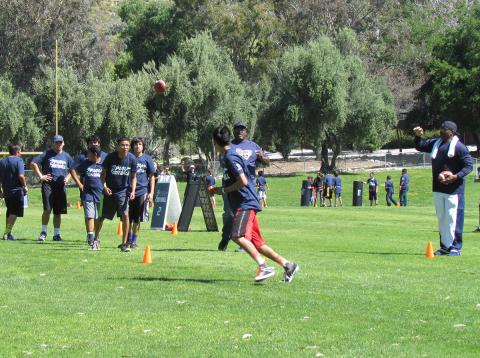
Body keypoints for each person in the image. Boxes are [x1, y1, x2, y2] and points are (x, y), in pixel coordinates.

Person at [210, 126, 298, 282]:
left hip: (246, 202)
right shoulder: (229, 155)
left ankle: (264, 267)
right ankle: (288, 265)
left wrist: (223, 190)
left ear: (214, 142)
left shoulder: (230, 156)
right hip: (246, 202)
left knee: (237, 235)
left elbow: (243, 182)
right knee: (257, 243)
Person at [414, 121, 473, 256]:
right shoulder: (436, 143)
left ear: (451, 131)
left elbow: (469, 166)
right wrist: (418, 136)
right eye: (441, 128)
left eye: (444, 129)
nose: (441, 131)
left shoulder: (459, 147)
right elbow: (421, 146)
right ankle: (445, 246)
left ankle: (456, 247)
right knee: (442, 218)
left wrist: (456, 176)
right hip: (438, 188)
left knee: (453, 218)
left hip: (454, 191)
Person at [217, 121, 270, 251]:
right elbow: (223, 162)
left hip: (248, 187)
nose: (240, 131)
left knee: (247, 217)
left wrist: (262, 157)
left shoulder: (253, 146)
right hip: (231, 184)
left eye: (242, 129)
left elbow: (267, 162)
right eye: (237, 129)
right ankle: (226, 237)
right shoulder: (229, 146)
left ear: (246, 132)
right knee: (229, 214)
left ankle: (244, 243)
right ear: (233, 131)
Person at [96, 137, 137, 252]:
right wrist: (104, 187)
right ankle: (95, 239)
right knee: (101, 217)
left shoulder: (132, 159)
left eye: (127, 145)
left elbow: (133, 177)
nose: (125, 147)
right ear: (118, 146)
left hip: (123, 192)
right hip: (108, 191)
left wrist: (133, 191)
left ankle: (124, 244)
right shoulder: (110, 157)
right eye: (123, 145)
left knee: (125, 216)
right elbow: (102, 174)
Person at [31, 135, 74, 242]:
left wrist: (68, 178)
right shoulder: (47, 153)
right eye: (56, 142)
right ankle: (43, 232)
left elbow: (74, 169)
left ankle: (56, 234)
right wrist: (41, 176)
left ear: (63, 143)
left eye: (60, 142)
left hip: (60, 187)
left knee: (58, 212)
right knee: (47, 209)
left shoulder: (66, 156)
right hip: (48, 185)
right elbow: (33, 163)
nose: (58, 144)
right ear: (53, 143)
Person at [71, 145, 103, 250]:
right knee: (90, 215)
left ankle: (97, 237)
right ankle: (90, 236)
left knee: (98, 217)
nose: (87, 155)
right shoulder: (85, 164)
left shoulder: (103, 165)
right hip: (88, 194)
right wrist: (80, 184)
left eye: (89, 153)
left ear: (95, 155)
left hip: (101, 194)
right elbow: (72, 170)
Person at [128, 137, 155, 249]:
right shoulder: (128, 157)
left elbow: (151, 176)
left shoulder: (147, 159)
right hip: (128, 191)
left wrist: (151, 192)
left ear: (143, 146)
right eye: (135, 144)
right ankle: (127, 240)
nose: (137, 146)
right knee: (126, 217)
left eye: (139, 144)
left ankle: (134, 240)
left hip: (142, 191)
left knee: (137, 218)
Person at [0, 144, 28, 240]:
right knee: (14, 213)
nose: (21, 154)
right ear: (17, 152)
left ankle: (8, 233)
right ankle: (6, 233)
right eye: (20, 152)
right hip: (16, 191)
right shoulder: (19, 160)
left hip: (7, 191)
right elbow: (21, 176)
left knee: (10, 211)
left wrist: (0, 190)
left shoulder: (2, 161)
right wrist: (25, 186)